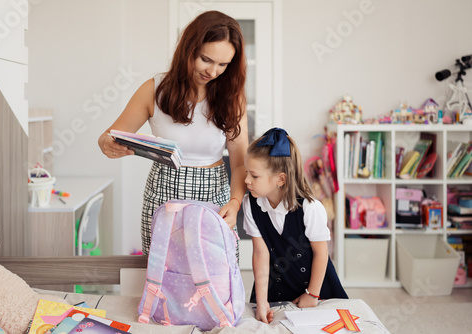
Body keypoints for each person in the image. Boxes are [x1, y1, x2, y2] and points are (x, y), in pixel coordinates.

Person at [98, 10, 248, 256]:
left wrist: (235, 203)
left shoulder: (232, 97)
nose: (213, 72)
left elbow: (240, 162)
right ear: (189, 49)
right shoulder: (154, 89)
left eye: (223, 65)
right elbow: (108, 136)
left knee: (216, 272)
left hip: (214, 193)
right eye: (206, 59)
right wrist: (107, 144)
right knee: (163, 275)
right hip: (164, 192)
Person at [242, 128, 347, 324]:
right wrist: (262, 300)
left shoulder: (311, 208)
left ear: (281, 179)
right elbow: (260, 253)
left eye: (254, 176)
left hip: (316, 289)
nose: (246, 180)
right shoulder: (251, 205)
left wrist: (312, 295)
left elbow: (321, 254)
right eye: (247, 172)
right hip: (276, 288)